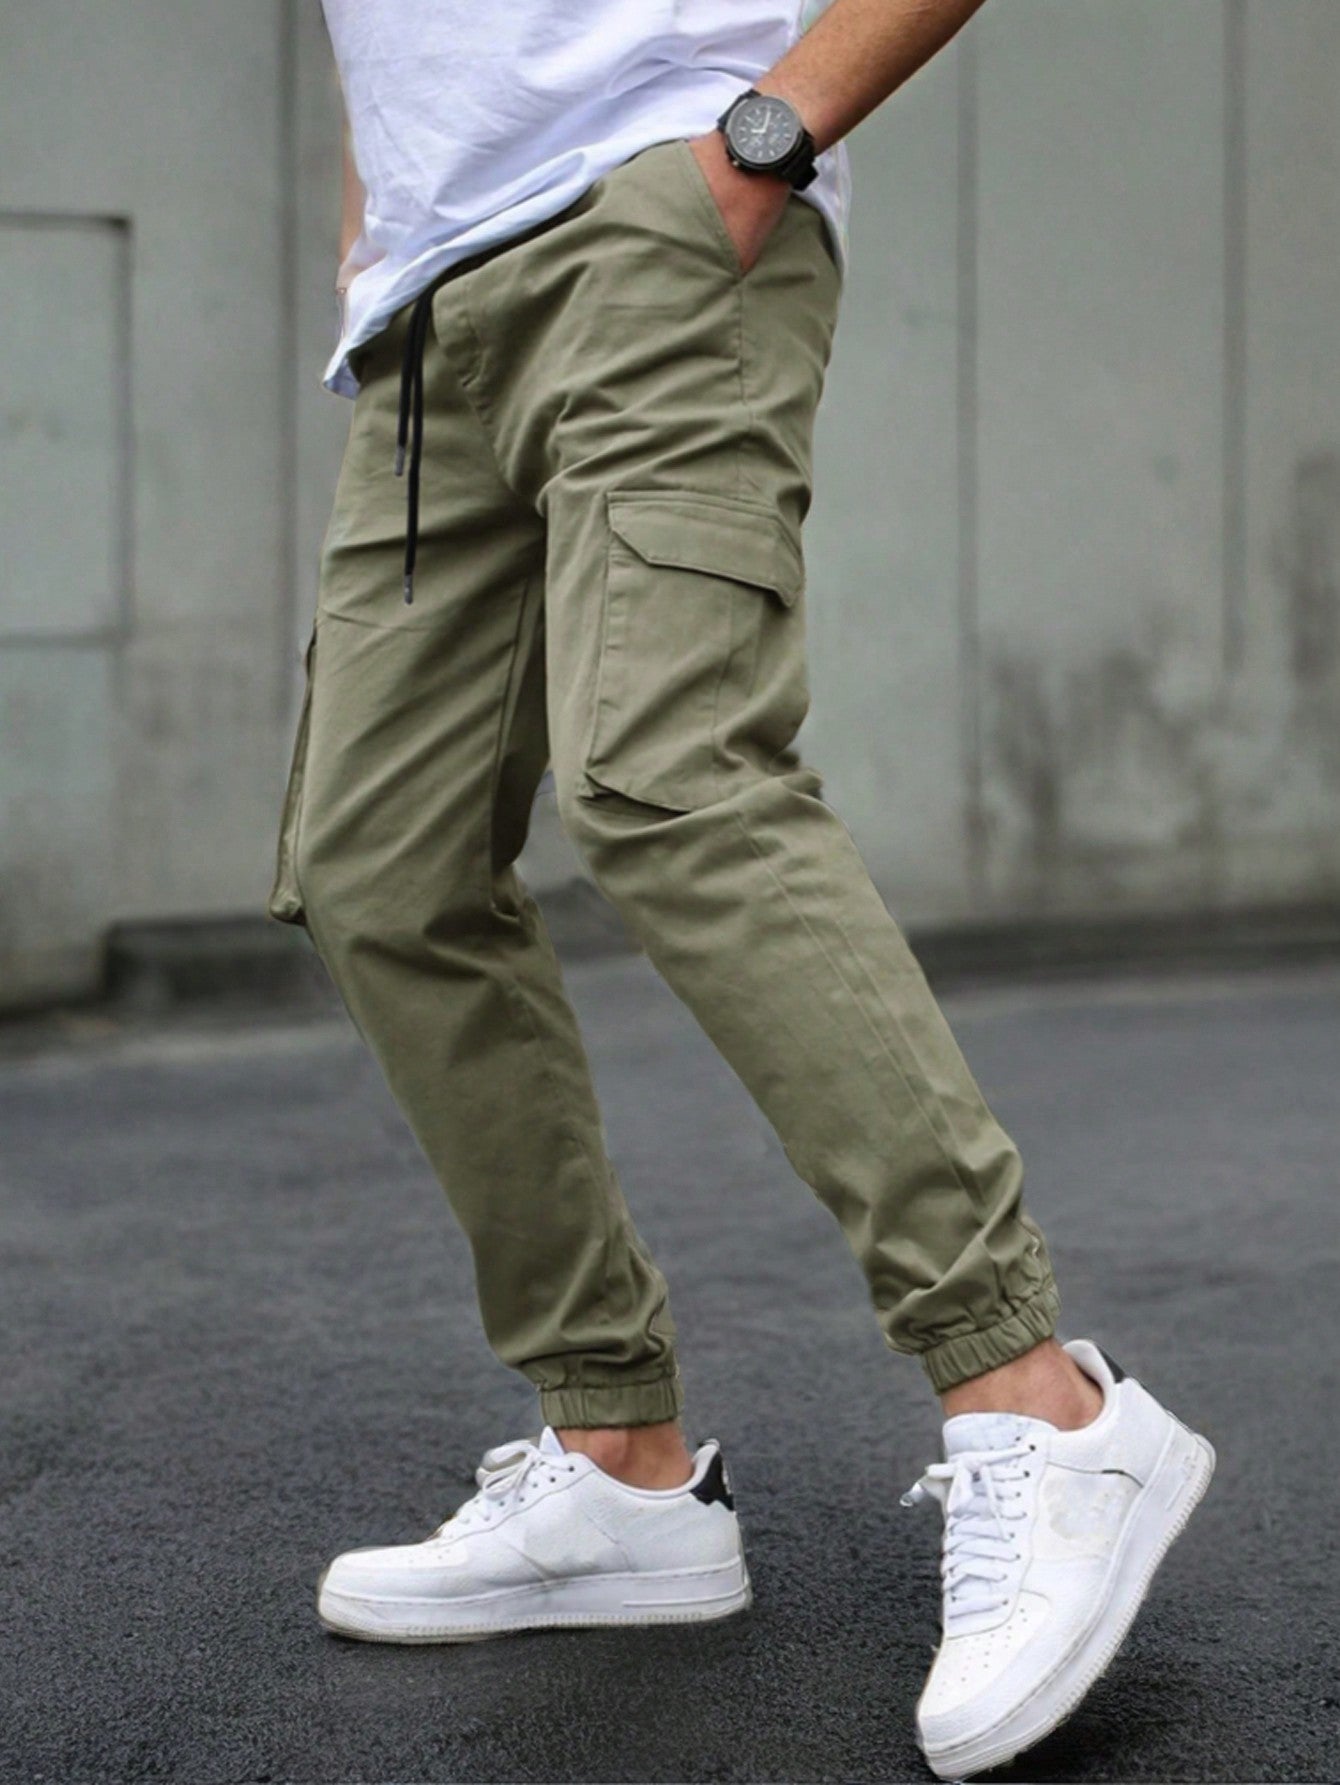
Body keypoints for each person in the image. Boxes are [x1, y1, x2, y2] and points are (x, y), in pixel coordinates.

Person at [266, 1, 1214, 1775]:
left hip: (655, 211)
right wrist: (376, 231)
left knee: (670, 775)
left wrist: (764, 139)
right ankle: (618, 1460)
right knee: (375, 867)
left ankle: (1039, 1399)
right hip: (422, 317)